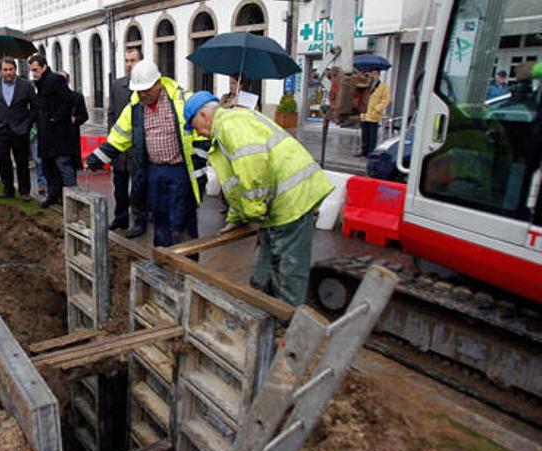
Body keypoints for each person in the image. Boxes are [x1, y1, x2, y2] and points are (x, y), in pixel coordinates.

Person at [184, 91, 334, 306]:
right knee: (262, 272)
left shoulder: (230, 125)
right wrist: (237, 216)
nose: (197, 132)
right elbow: (237, 181)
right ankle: (262, 308)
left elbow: (253, 168)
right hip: (277, 203)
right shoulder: (229, 125)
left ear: (204, 116)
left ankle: (287, 325)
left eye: (194, 126)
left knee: (288, 270)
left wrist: (253, 210)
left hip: (293, 200)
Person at [86, 60, 208, 248]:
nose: (142, 94)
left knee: (182, 219)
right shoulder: (134, 108)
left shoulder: (183, 100)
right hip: (154, 170)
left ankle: (186, 263)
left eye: (146, 90)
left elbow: (203, 131)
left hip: (180, 170)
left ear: (158, 83)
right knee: (159, 218)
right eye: (139, 90)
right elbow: (118, 138)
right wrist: (95, 159)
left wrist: (200, 161)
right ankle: (162, 259)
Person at [108, 47, 147, 237]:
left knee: (139, 188)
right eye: (126, 61)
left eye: (133, 60)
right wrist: (111, 142)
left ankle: (140, 221)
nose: (129, 64)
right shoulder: (117, 86)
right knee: (119, 187)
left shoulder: (148, 86)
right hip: (119, 150)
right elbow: (111, 115)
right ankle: (121, 217)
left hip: (138, 149)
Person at [0, 57, 37, 200]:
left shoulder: (26, 85)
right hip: (0, 130)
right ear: (1, 71)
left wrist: (27, 125)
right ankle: (8, 190)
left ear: (15, 69)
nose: (8, 73)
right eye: (5, 70)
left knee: (22, 162)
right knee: (3, 162)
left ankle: (25, 192)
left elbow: (34, 107)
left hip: (20, 130)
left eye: (11, 69)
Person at [29, 54, 75, 208]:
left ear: (44, 67)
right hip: (45, 135)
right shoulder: (40, 84)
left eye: (35, 70)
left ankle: (72, 198)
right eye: (31, 70)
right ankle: (53, 195)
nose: (33, 73)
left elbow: (68, 100)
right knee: (49, 167)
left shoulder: (55, 79)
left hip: (58, 134)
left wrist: (55, 119)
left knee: (63, 166)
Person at [59, 71, 89, 172]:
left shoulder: (77, 97)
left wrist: (75, 119)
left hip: (72, 139)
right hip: (56, 141)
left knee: (71, 170)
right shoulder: (50, 98)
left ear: (68, 81)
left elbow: (84, 116)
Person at [357, 69, 390, 157]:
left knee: (372, 135)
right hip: (365, 113)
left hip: (374, 114)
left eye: (375, 74)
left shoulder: (383, 87)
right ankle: (364, 151)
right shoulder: (366, 84)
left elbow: (385, 100)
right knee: (364, 134)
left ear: (379, 75)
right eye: (372, 73)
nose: (373, 75)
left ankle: (371, 152)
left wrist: (377, 109)